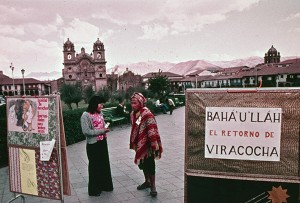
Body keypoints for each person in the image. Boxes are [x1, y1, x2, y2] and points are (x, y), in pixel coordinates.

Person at [129, 92, 163, 197]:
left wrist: (154, 145)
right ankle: (147, 181)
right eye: (132, 103)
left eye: (135, 103)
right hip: (139, 145)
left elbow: (152, 129)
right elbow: (135, 128)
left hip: (148, 146)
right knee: (142, 164)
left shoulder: (147, 114)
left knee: (150, 165)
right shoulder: (133, 114)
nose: (132, 105)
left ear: (140, 103)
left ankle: (153, 186)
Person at [80, 95, 113, 196]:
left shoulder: (100, 113)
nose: (102, 106)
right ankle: (94, 189)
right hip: (93, 144)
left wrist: (106, 125)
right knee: (94, 166)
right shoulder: (85, 115)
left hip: (102, 142)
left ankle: (105, 186)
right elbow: (86, 131)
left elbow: (101, 125)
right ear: (94, 104)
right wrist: (102, 130)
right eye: (100, 104)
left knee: (104, 165)